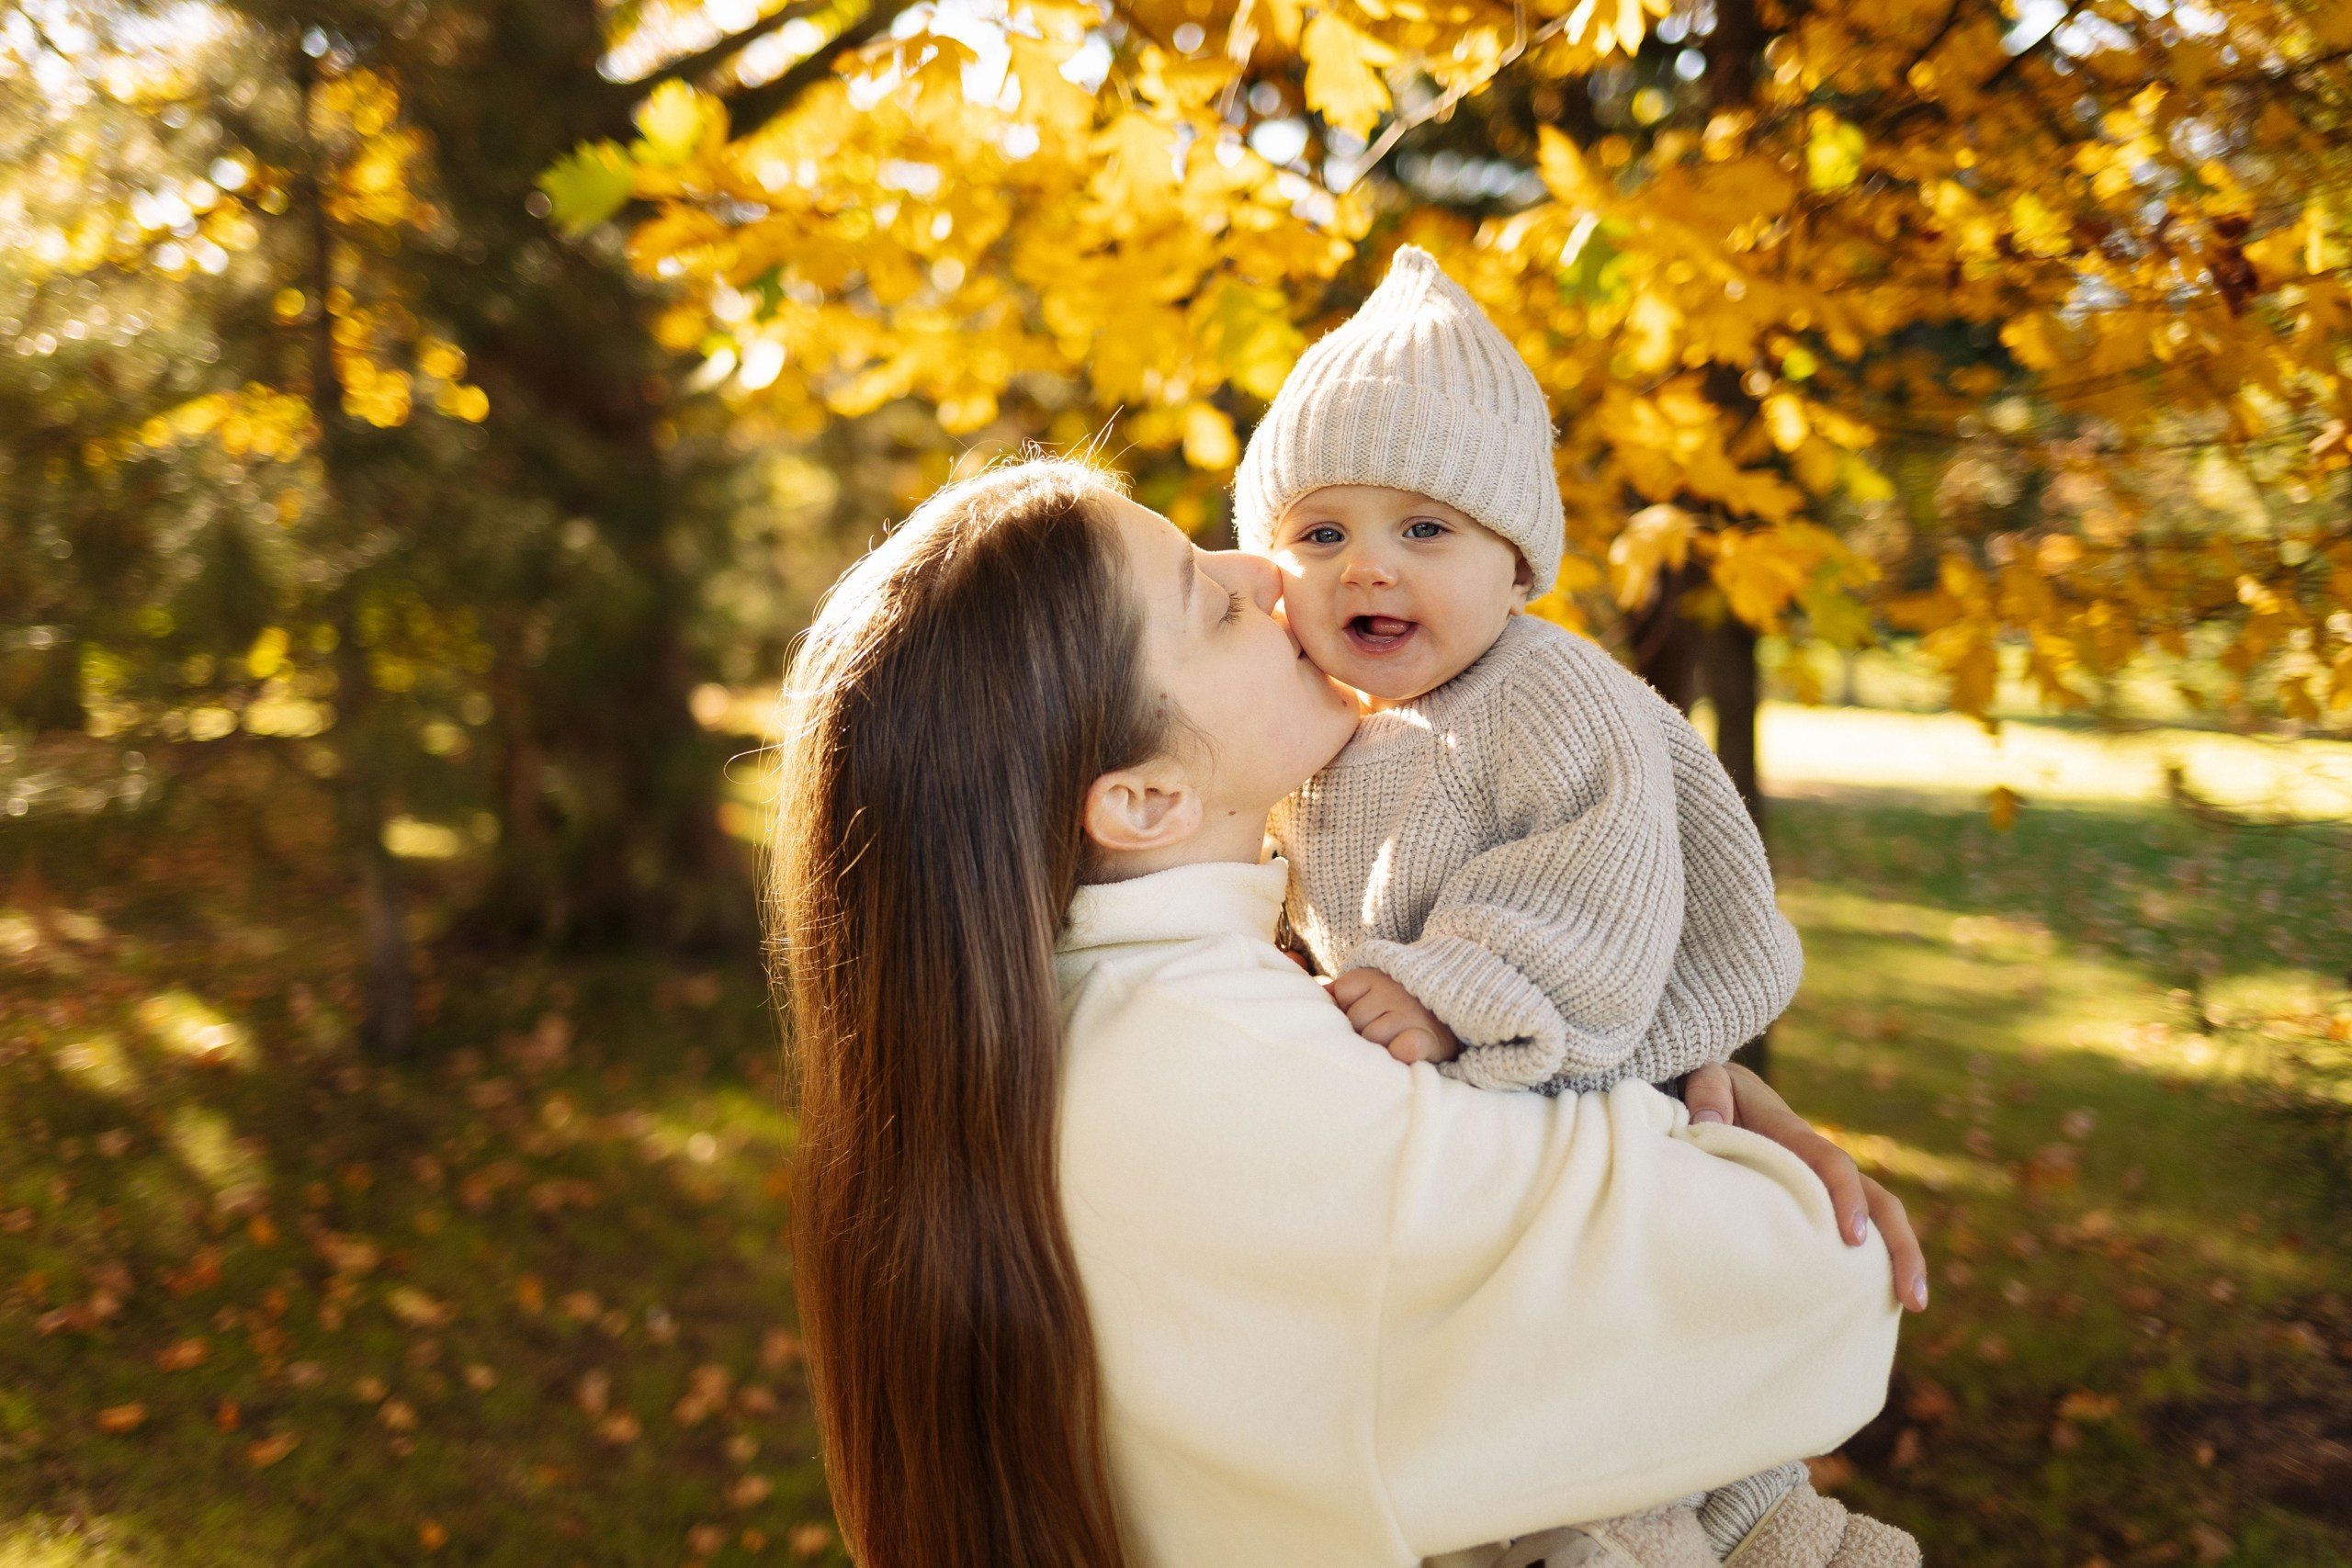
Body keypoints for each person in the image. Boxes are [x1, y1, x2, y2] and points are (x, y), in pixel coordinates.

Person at [768, 458, 1927, 1568]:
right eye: (1210, 605)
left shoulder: (1099, 1030)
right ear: (1146, 799)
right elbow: (1817, 1288)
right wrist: (1694, 1120)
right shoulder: (1243, 1085)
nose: (1267, 574)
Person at [1232, 247, 1919, 1563]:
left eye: (1423, 528)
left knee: (1611, 1446)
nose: (1368, 566)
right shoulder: (1331, 730)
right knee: (1651, 1449)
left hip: (1569, 1094)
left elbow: (1596, 880)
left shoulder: (1548, 695)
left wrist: (1451, 986)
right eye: (1322, 532)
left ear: (1518, 565)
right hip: (1479, 1149)